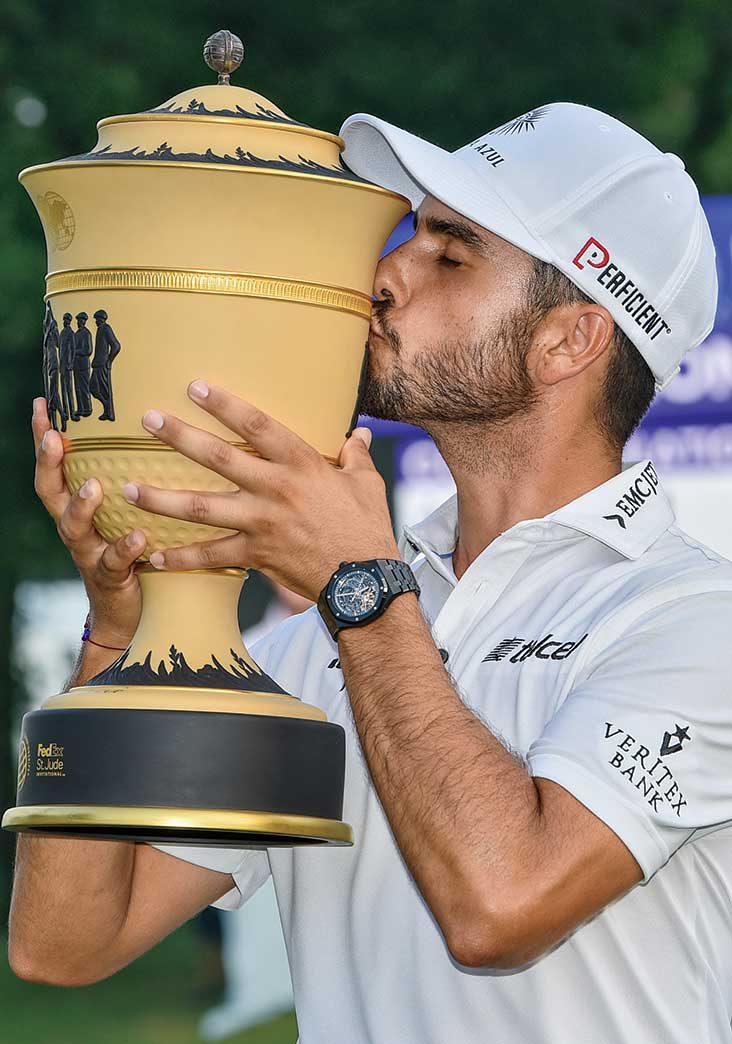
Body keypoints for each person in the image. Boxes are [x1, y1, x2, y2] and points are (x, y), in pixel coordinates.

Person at [10, 103, 732, 1044]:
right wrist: (119, 630)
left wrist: (359, 583)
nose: (384, 275)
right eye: (409, 233)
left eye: (449, 252)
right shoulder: (326, 638)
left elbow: (502, 909)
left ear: (570, 341)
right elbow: (65, 944)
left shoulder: (693, 621)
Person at [89, 308, 121, 421]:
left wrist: (109, 361)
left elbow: (116, 346)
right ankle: (107, 407)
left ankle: (109, 412)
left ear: (100, 319)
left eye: (96, 319)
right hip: (97, 364)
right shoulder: (100, 329)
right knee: (92, 388)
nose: (95, 322)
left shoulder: (106, 328)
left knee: (104, 389)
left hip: (102, 364)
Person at [41, 302, 66, 432]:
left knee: (54, 397)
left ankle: (61, 418)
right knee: (53, 396)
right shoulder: (47, 334)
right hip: (49, 364)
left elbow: (58, 343)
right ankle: (57, 423)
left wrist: (54, 329)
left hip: (54, 364)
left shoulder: (53, 332)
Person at [59, 312, 78, 422]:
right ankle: (65, 413)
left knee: (69, 390)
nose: (65, 321)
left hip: (67, 365)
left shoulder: (70, 333)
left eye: (66, 319)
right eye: (64, 319)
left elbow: (73, 349)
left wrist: (71, 363)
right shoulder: (62, 333)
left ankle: (72, 412)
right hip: (62, 365)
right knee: (63, 390)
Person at [72, 312, 93, 417]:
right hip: (76, 364)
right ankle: (80, 408)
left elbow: (88, 350)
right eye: (78, 321)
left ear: (84, 321)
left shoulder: (86, 333)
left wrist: (76, 351)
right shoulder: (76, 334)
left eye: (80, 321)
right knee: (77, 387)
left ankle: (87, 408)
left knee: (84, 387)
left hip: (84, 365)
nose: (79, 323)